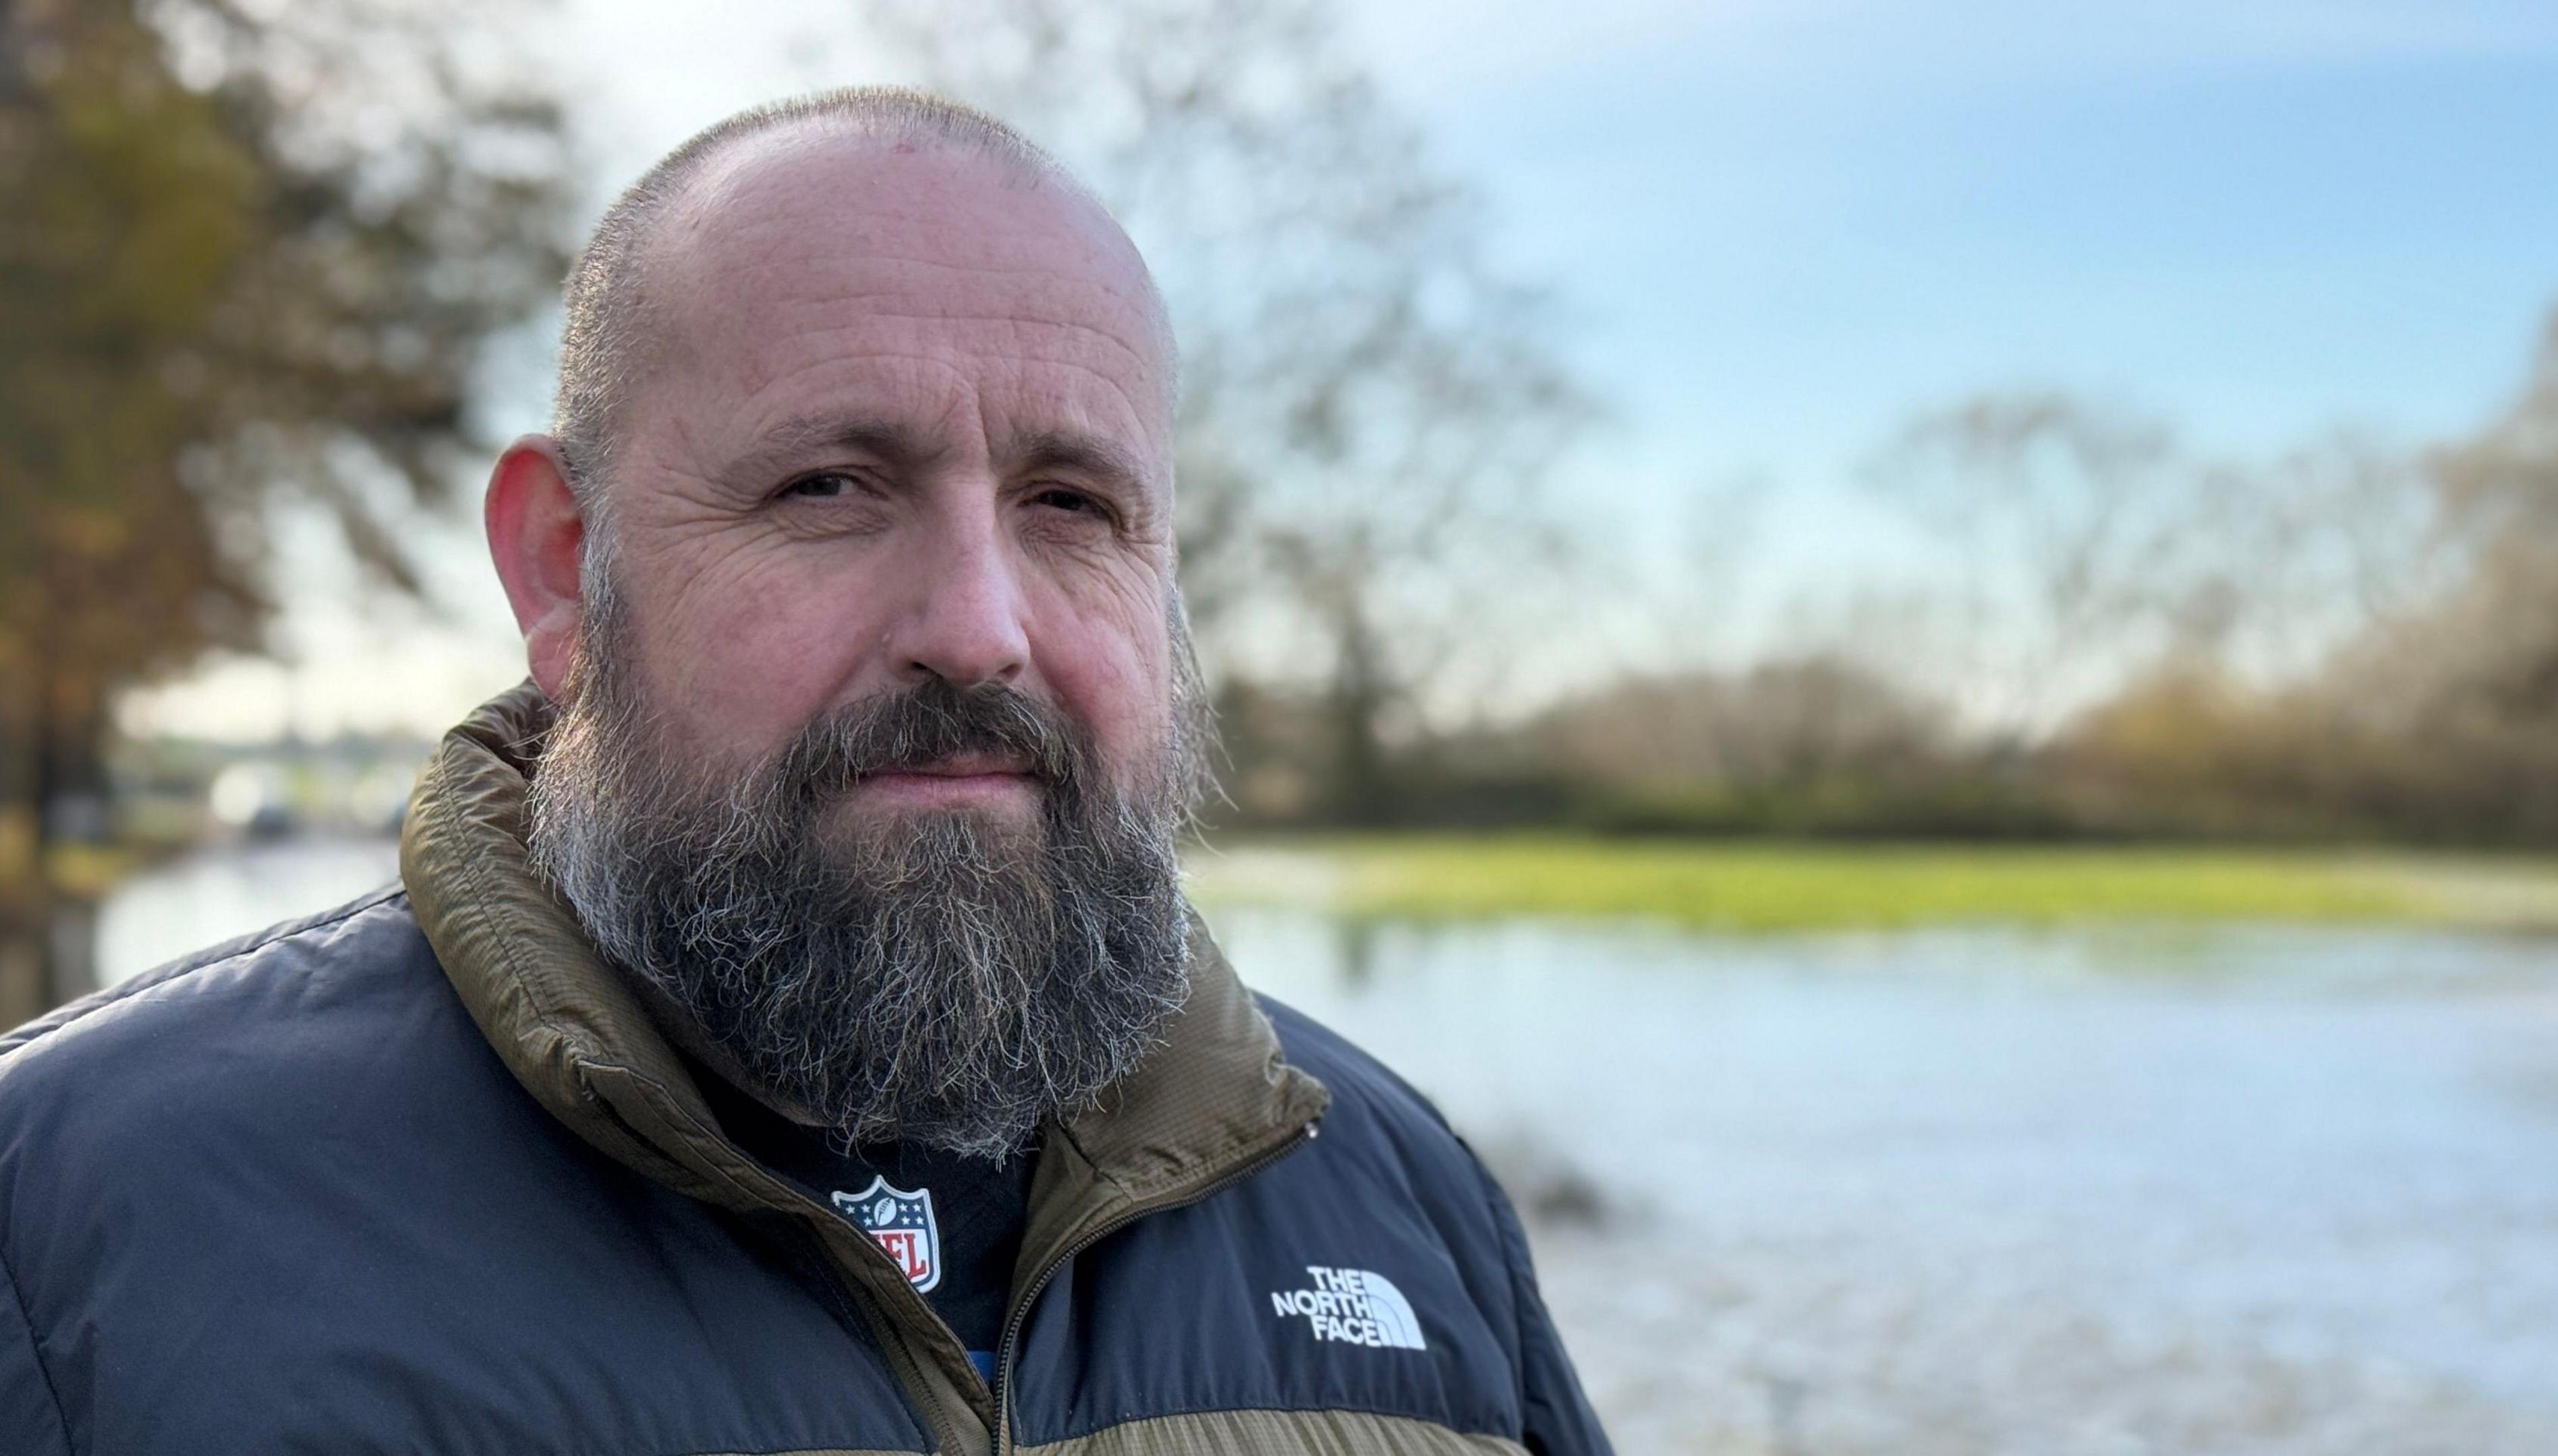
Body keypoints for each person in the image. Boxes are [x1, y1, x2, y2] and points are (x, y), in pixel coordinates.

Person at [0, 88, 1612, 1456]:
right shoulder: (66, 1229)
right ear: (565, 571)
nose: (978, 631)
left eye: (1072, 507)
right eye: (831, 486)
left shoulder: (1400, 1199)